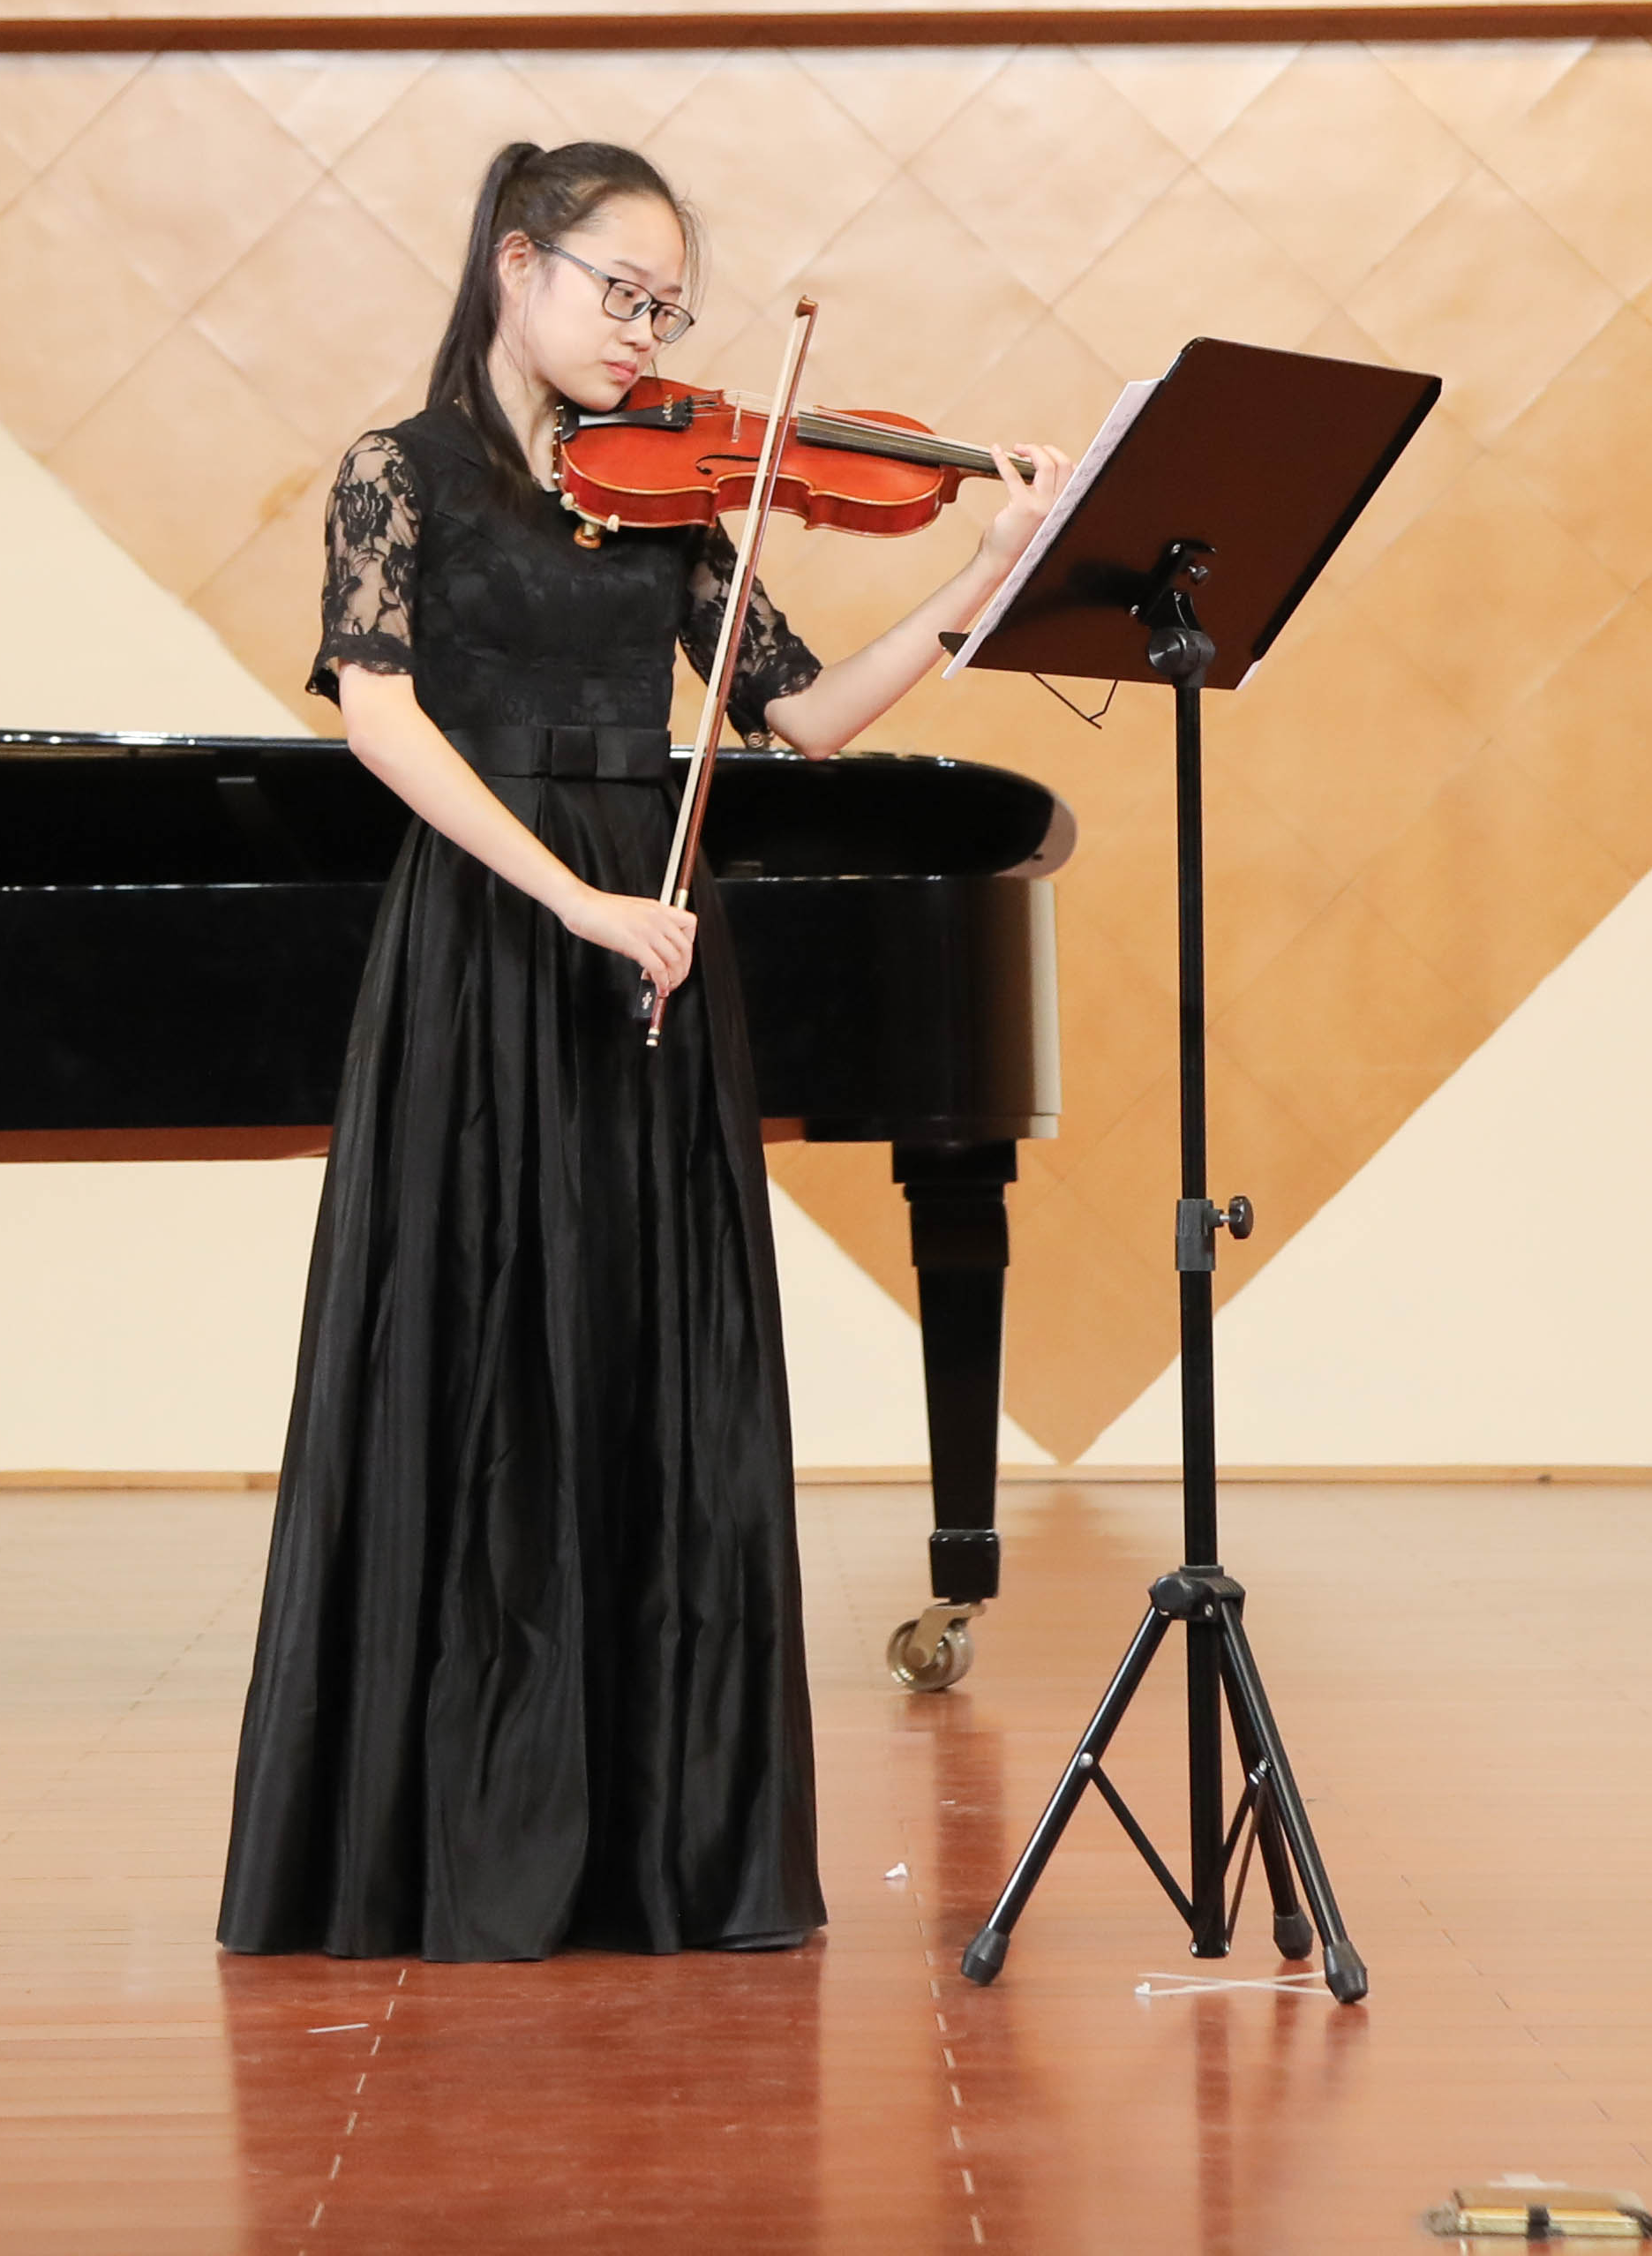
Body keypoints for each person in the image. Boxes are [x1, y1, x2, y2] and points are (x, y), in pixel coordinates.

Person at [220, 139, 1051, 1962]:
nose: (648, 336)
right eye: (623, 292)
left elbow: (805, 713)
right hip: (491, 937)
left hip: (654, 944)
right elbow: (383, 719)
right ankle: (456, 1840)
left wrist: (983, 574)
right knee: (479, 1356)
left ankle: (667, 1850)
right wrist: (574, 901)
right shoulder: (399, 471)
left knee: (648, 1353)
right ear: (516, 264)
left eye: (671, 309)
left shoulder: (666, 492)